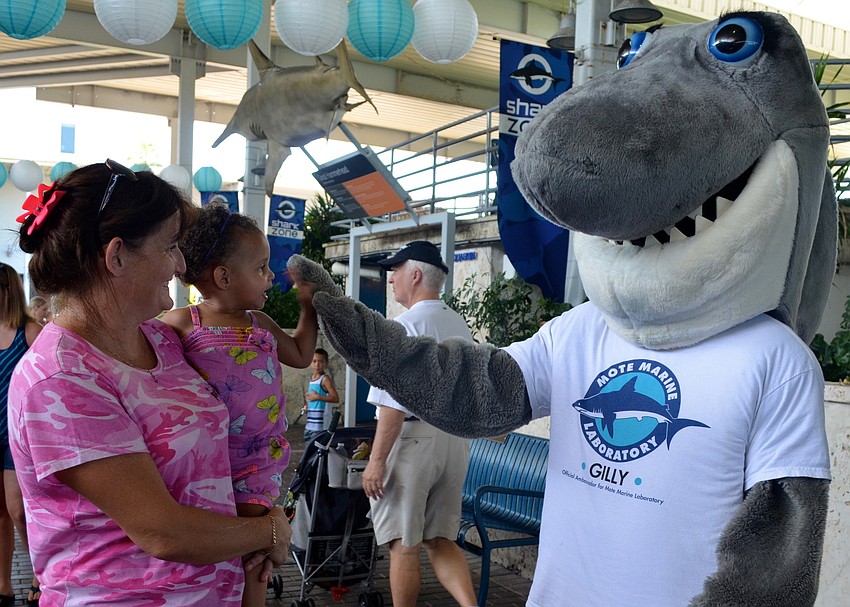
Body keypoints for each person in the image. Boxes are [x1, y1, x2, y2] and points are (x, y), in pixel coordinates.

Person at [9, 161, 292, 606]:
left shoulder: (164, 340)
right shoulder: (61, 380)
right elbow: (161, 530)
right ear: (116, 256)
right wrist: (269, 530)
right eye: (170, 247)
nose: (180, 265)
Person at [162, 202, 318, 607]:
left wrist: (309, 306)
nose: (270, 276)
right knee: (210, 547)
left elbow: (301, 354)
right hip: (202, 463)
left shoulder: (259, 324)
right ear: (224, 276)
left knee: (255, 548)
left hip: (255, 460)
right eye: (262, 267)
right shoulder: (179, 324)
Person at [361, 241, 477, 607]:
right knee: (440, 539)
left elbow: (392, 405)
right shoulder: (458, 322)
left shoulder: (405, 326)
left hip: (413, 444)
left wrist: (376, 461)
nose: (391, 278)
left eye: (395, 270)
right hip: (453, 443)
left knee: (404, 545)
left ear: (415, 275)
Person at [0, 265, 42, 607]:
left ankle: (41, 573)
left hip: (16, 436)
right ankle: (3, 586)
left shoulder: (28, 331)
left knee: (18, 511)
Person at [303, 347, 339, 443]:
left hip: (320, 426)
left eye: (321, 362)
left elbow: (335, 398)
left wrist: (317, 397)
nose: (317, 365)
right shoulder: (312, 379)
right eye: (314, 361)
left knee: (318, 453)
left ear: (326, 363)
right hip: (310, 424)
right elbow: (312, 399)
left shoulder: (325, 379)